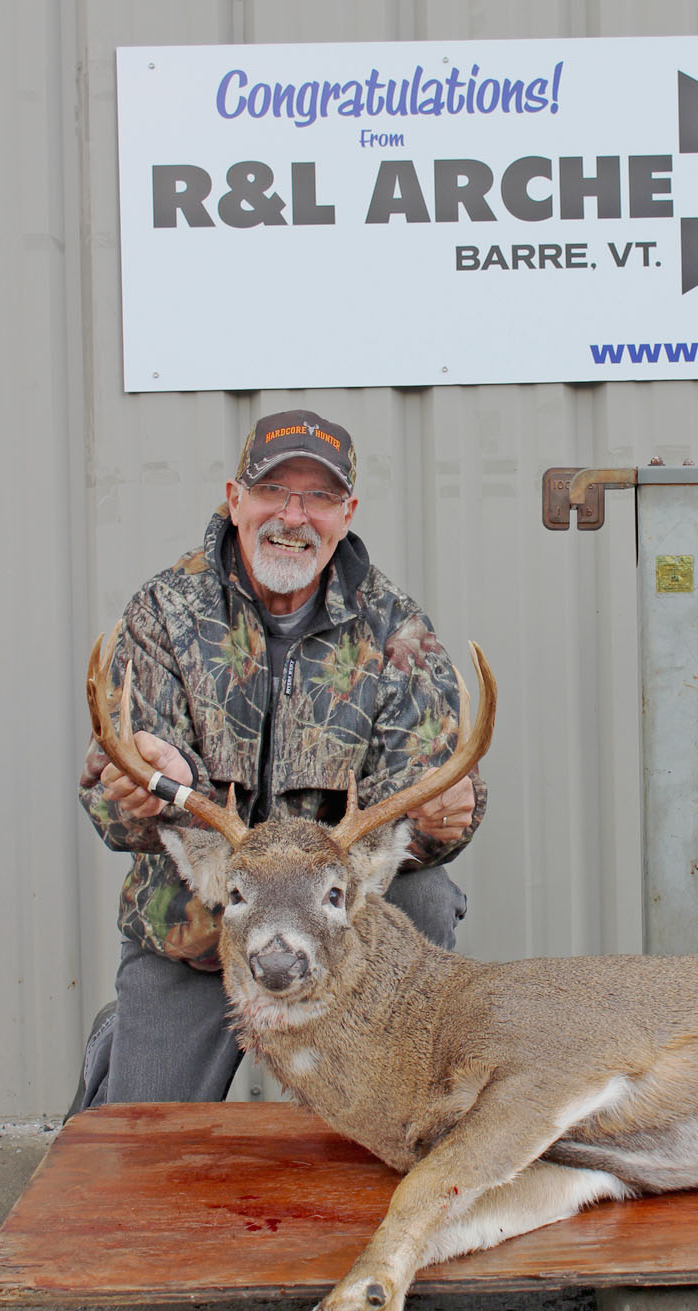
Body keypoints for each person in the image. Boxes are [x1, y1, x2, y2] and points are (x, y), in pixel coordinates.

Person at [71, 410, 485, 1111]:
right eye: (273, 491)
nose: (294, 516)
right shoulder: (166, 612)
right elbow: (112, 803)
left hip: (335, 936)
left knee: (424, 895)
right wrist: (145, 786)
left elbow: (426, 793)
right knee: (143, 1142)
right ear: (235, 499)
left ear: (346, 514)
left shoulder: (395, 629)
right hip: (200, 929)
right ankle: (127, 1044)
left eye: (319, 496)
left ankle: (394, 1085)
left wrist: (445, 813)